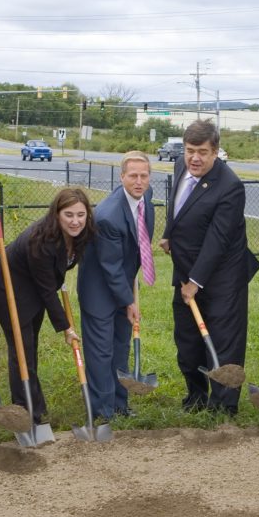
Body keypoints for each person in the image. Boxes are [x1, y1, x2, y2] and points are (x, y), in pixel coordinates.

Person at [159, 120, 259, 415]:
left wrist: (196, 281)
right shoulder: (181, 166)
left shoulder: (230, 187)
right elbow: (177, 204)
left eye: (202, 152)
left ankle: (223, 406)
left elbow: (217, 240)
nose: (195, 158)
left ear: (216, 151)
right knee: (188, 341)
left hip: (222, 277)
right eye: (190, 151)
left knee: (223, 343)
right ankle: (196, 397)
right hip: (186, 269)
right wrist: (168, 233)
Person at [0, 188, 92, 426]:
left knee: (30, 347)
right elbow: (46, 290)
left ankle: (36, 406)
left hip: (32, 288)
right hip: (6, 290)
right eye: (69, 215)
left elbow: (50, 282)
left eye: (80, 215)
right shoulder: (41, 241)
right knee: (22, 350)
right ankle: (25, 413)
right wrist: (65, 327)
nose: (75, 221)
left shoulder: (80, 235)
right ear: (57, 214)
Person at [77, 152, 154, 422]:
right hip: (99, 290)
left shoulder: (146, 200)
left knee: (120, 347)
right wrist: (129, 302)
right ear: (121, 177)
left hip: (123, 283)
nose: (138, 181)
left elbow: (135, 250)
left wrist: (131, 295)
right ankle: (103, 410)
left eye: (143, 175)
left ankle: (120, 404)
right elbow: (110, 266)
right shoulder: (108, 215)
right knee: (101, 352)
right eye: (132, 175)